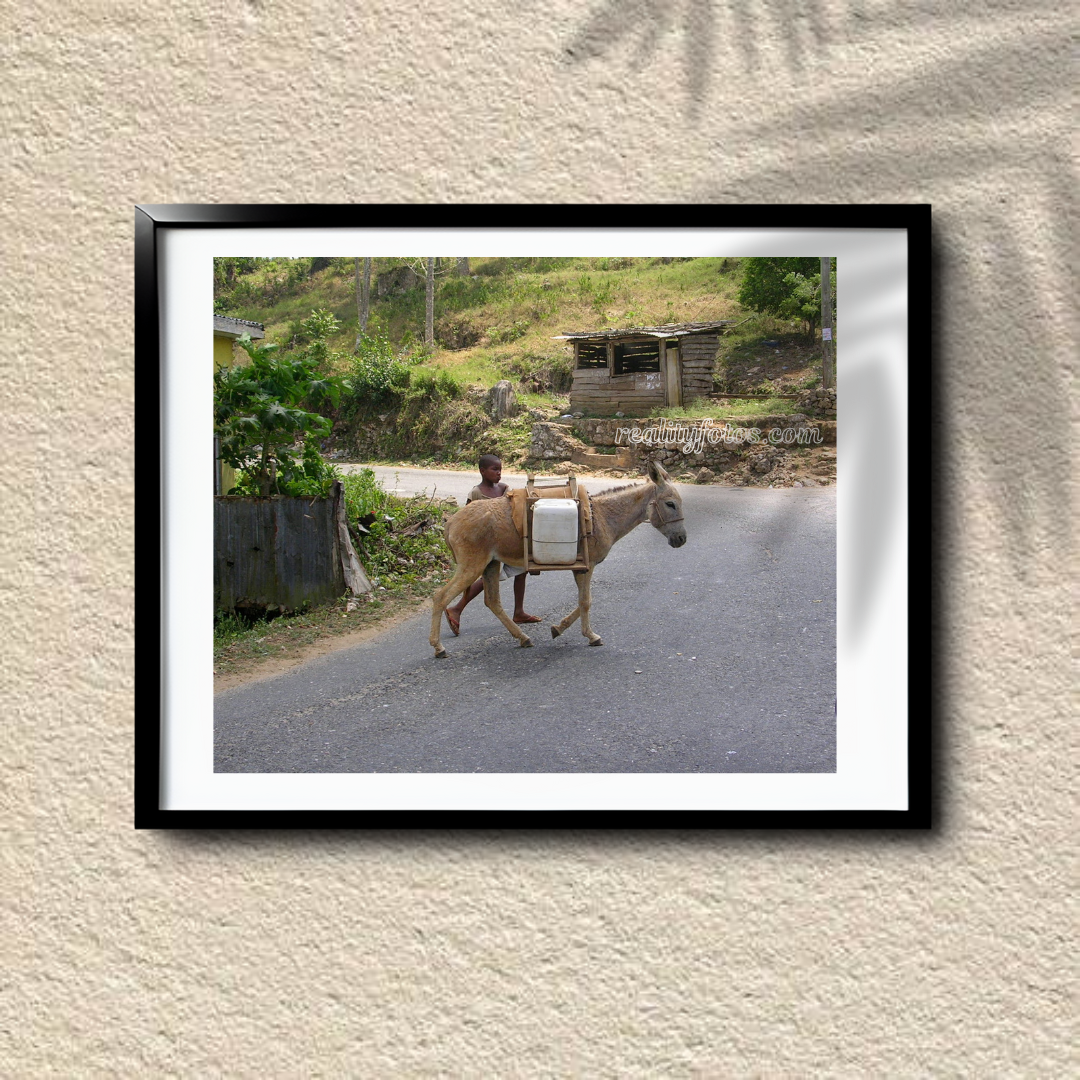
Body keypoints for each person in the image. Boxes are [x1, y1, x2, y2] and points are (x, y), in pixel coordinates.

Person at [444, 454, 540, 635]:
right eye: (495, 470)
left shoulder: (504, 489)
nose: (499, 474)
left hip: (505, 538)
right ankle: (457, 608)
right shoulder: (476, 493)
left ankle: (518, 611)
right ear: (482, 471)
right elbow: (469, 517)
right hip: (486, 541)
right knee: (487, 577)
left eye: (500, 470)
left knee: (522, 569)